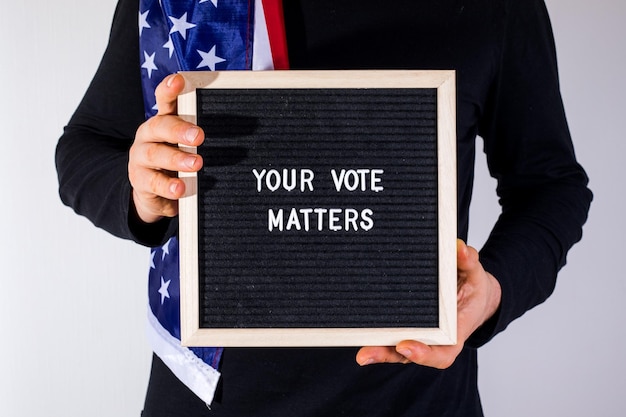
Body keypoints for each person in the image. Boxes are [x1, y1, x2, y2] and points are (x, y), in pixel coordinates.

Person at [55, 0, 592, 416]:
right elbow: (84, 148)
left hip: (412, 395)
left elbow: (551, 186)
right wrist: (139, 188)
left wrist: (494, 289)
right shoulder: (181, 2)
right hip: (206, 391)